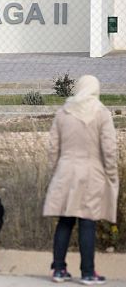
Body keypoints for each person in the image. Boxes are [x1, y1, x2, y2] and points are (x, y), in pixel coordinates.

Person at [43, 75, 119, 285]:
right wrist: (111, 175)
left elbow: (53, 148)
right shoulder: (101, 113)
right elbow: (109, 149)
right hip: (91, 172)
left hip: (65, 171)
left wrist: (54, 171)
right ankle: (88, 272)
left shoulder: (64, 112)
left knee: (65, 221)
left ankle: (58, 269)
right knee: (87, 222)